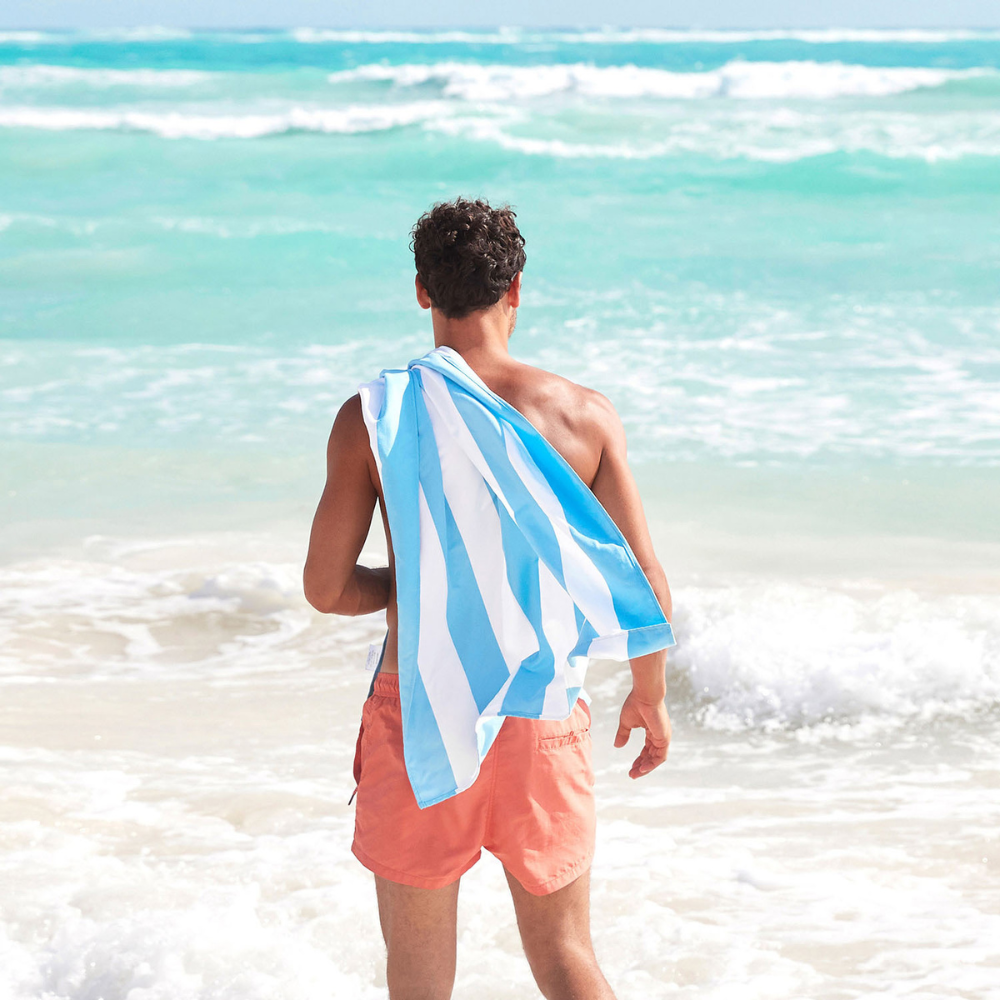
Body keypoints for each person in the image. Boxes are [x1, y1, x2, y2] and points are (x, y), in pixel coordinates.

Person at [303, 198, 674, 1000]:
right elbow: (642, 582)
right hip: (541, 710)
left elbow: (326, 589)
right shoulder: (584, 416)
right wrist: (650, 695)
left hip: (421, 715)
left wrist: (420, 585)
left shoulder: (374, 416)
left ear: (421, 292)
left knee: (420, 978)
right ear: (517, 291)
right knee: (567, 956)